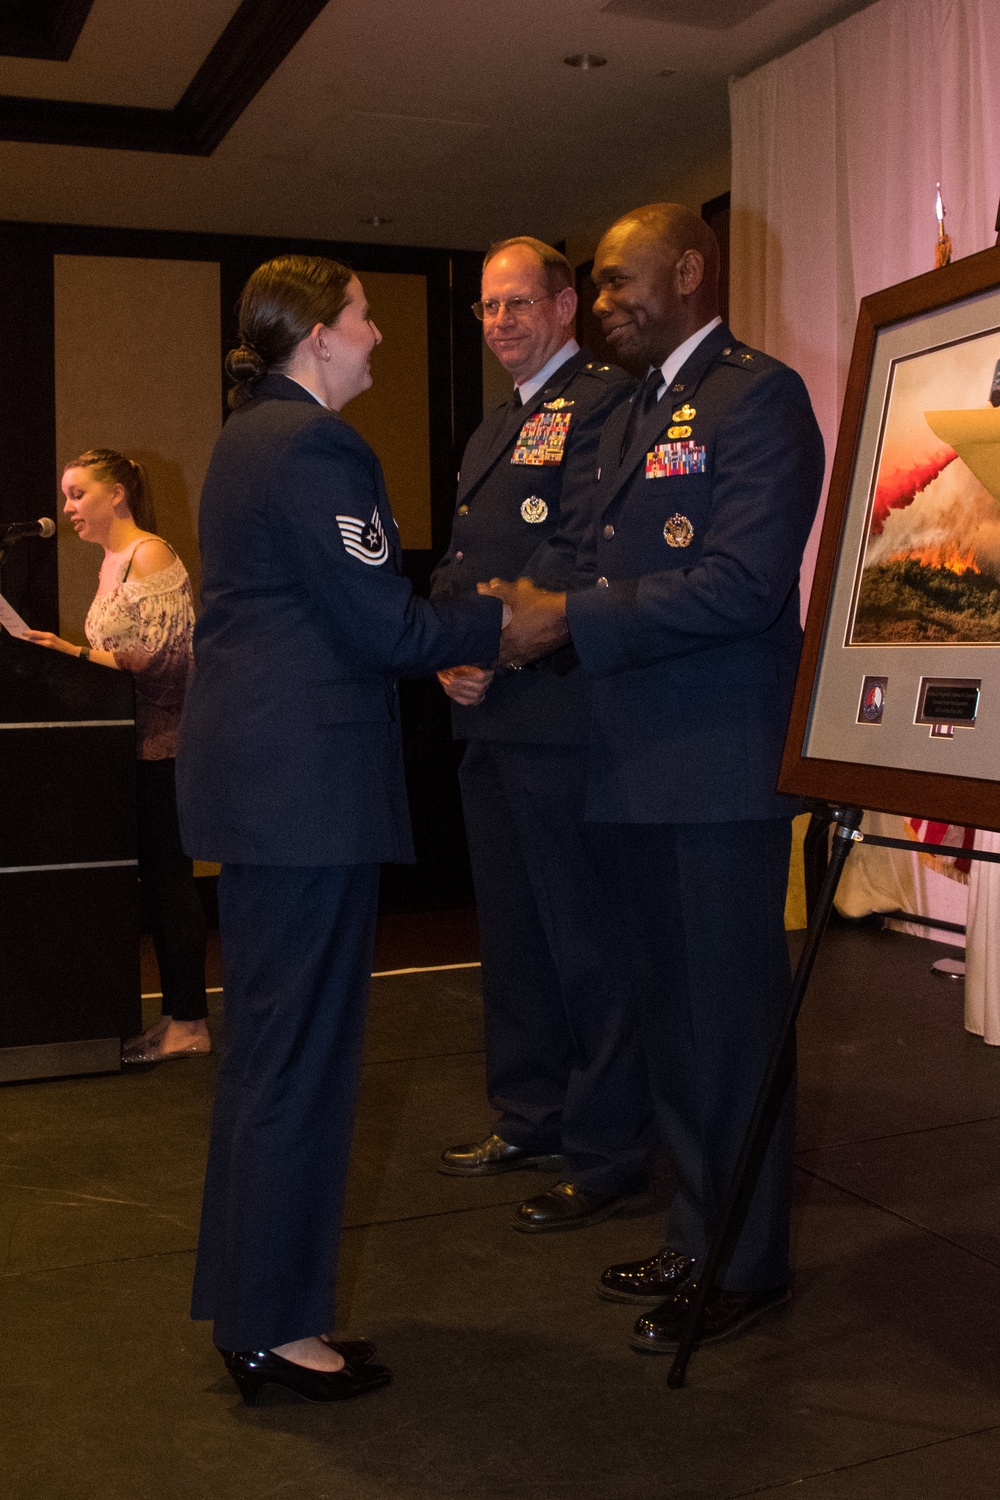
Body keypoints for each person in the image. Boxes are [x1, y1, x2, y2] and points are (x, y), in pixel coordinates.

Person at [491, 203, 825, 1352]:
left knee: (727, 1027)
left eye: (624, 280)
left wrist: (568, 617)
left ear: (689, 271)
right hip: (629, 761)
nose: (608, 300)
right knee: (673, 1028)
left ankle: (745, 1261)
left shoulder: (758, 395)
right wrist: (514, 611)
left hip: (716, 767)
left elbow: (740, 585)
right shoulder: (632, 406)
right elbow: (586, 554)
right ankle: (697, 1228)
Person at [175, 254, 506, 1405]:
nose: (375, 337)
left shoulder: (244, 438)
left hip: (266, 789)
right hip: (301, 791)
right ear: (318, 332)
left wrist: (443, 632)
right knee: (299, 1063)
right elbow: (379, 622)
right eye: (364, 318)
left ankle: (253, 1312)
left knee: (268, 1057)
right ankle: (278, 1328)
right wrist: (504, 617)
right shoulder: (312, 445)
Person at [432, 237, 652, 1231]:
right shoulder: (489, 432)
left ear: (565, 308)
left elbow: (582, 545)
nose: (499, 323)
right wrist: (448, 642)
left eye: (518, 304)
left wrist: (501, 643)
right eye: (486, 308)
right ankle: (530, 1113)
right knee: (514, 937)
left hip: (558, 708)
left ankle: (609, 1147)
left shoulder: (604, 403)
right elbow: (454, 559)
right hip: (486, 712)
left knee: (585, 941)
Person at [23, 449, 209, 1065]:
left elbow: (163, 665)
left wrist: (68, 652)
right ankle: (173, 1016)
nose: (67, 508)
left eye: (77, 493)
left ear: (117, 495)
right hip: (124, 746)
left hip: (164, 746)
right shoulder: (111, 564)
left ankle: (189, 1021)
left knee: (169, 881)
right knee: (152, 886)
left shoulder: (149, 554)